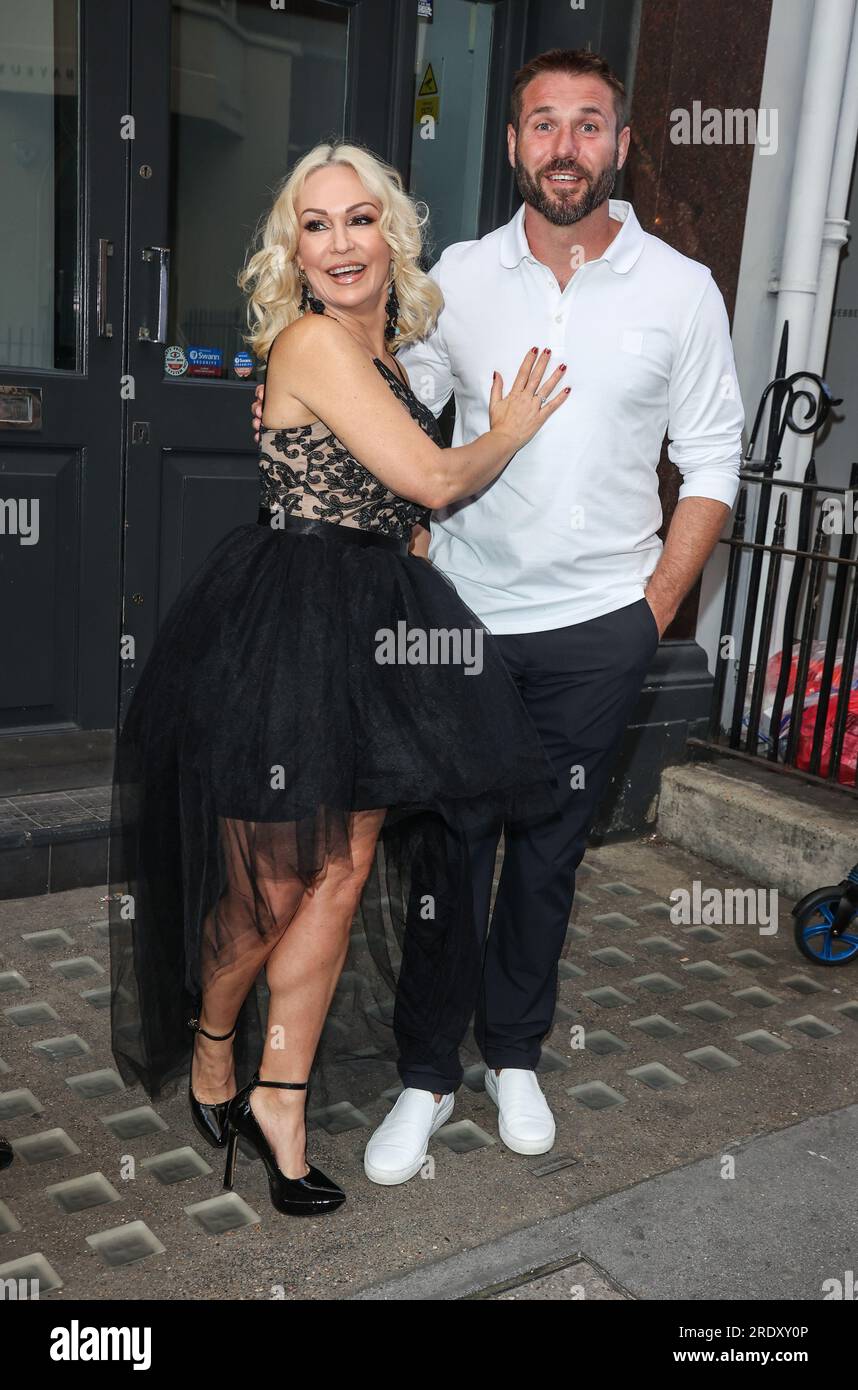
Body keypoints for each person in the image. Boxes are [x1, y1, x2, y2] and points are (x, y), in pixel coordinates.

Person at [248, 46, 746, 1187]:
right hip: (462, 620)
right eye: (540, 123)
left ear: (622, 145)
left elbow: (713, 458)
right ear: (512, 143)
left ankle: (515, 1050)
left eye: (587, 125)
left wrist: (653, 611)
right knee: (443, 854)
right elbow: (394, 420)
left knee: (551, 853)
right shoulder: (456, 281)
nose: (563, 145)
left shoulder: (682, 289)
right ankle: (426, 1073)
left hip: (599, 627)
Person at [108, 140, 570, 1217]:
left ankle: (281, 1093)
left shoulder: (401, 356)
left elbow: (400, 518)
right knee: (271, 886)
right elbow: (433, 480)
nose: (341, 242)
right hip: (285, 625)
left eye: (360, 219)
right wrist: (503, 431)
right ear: (294, 252)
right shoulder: (311, 342)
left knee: (345, 870)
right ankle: (213, 1036)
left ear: (391, 233)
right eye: (316, 225)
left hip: (373, 627)